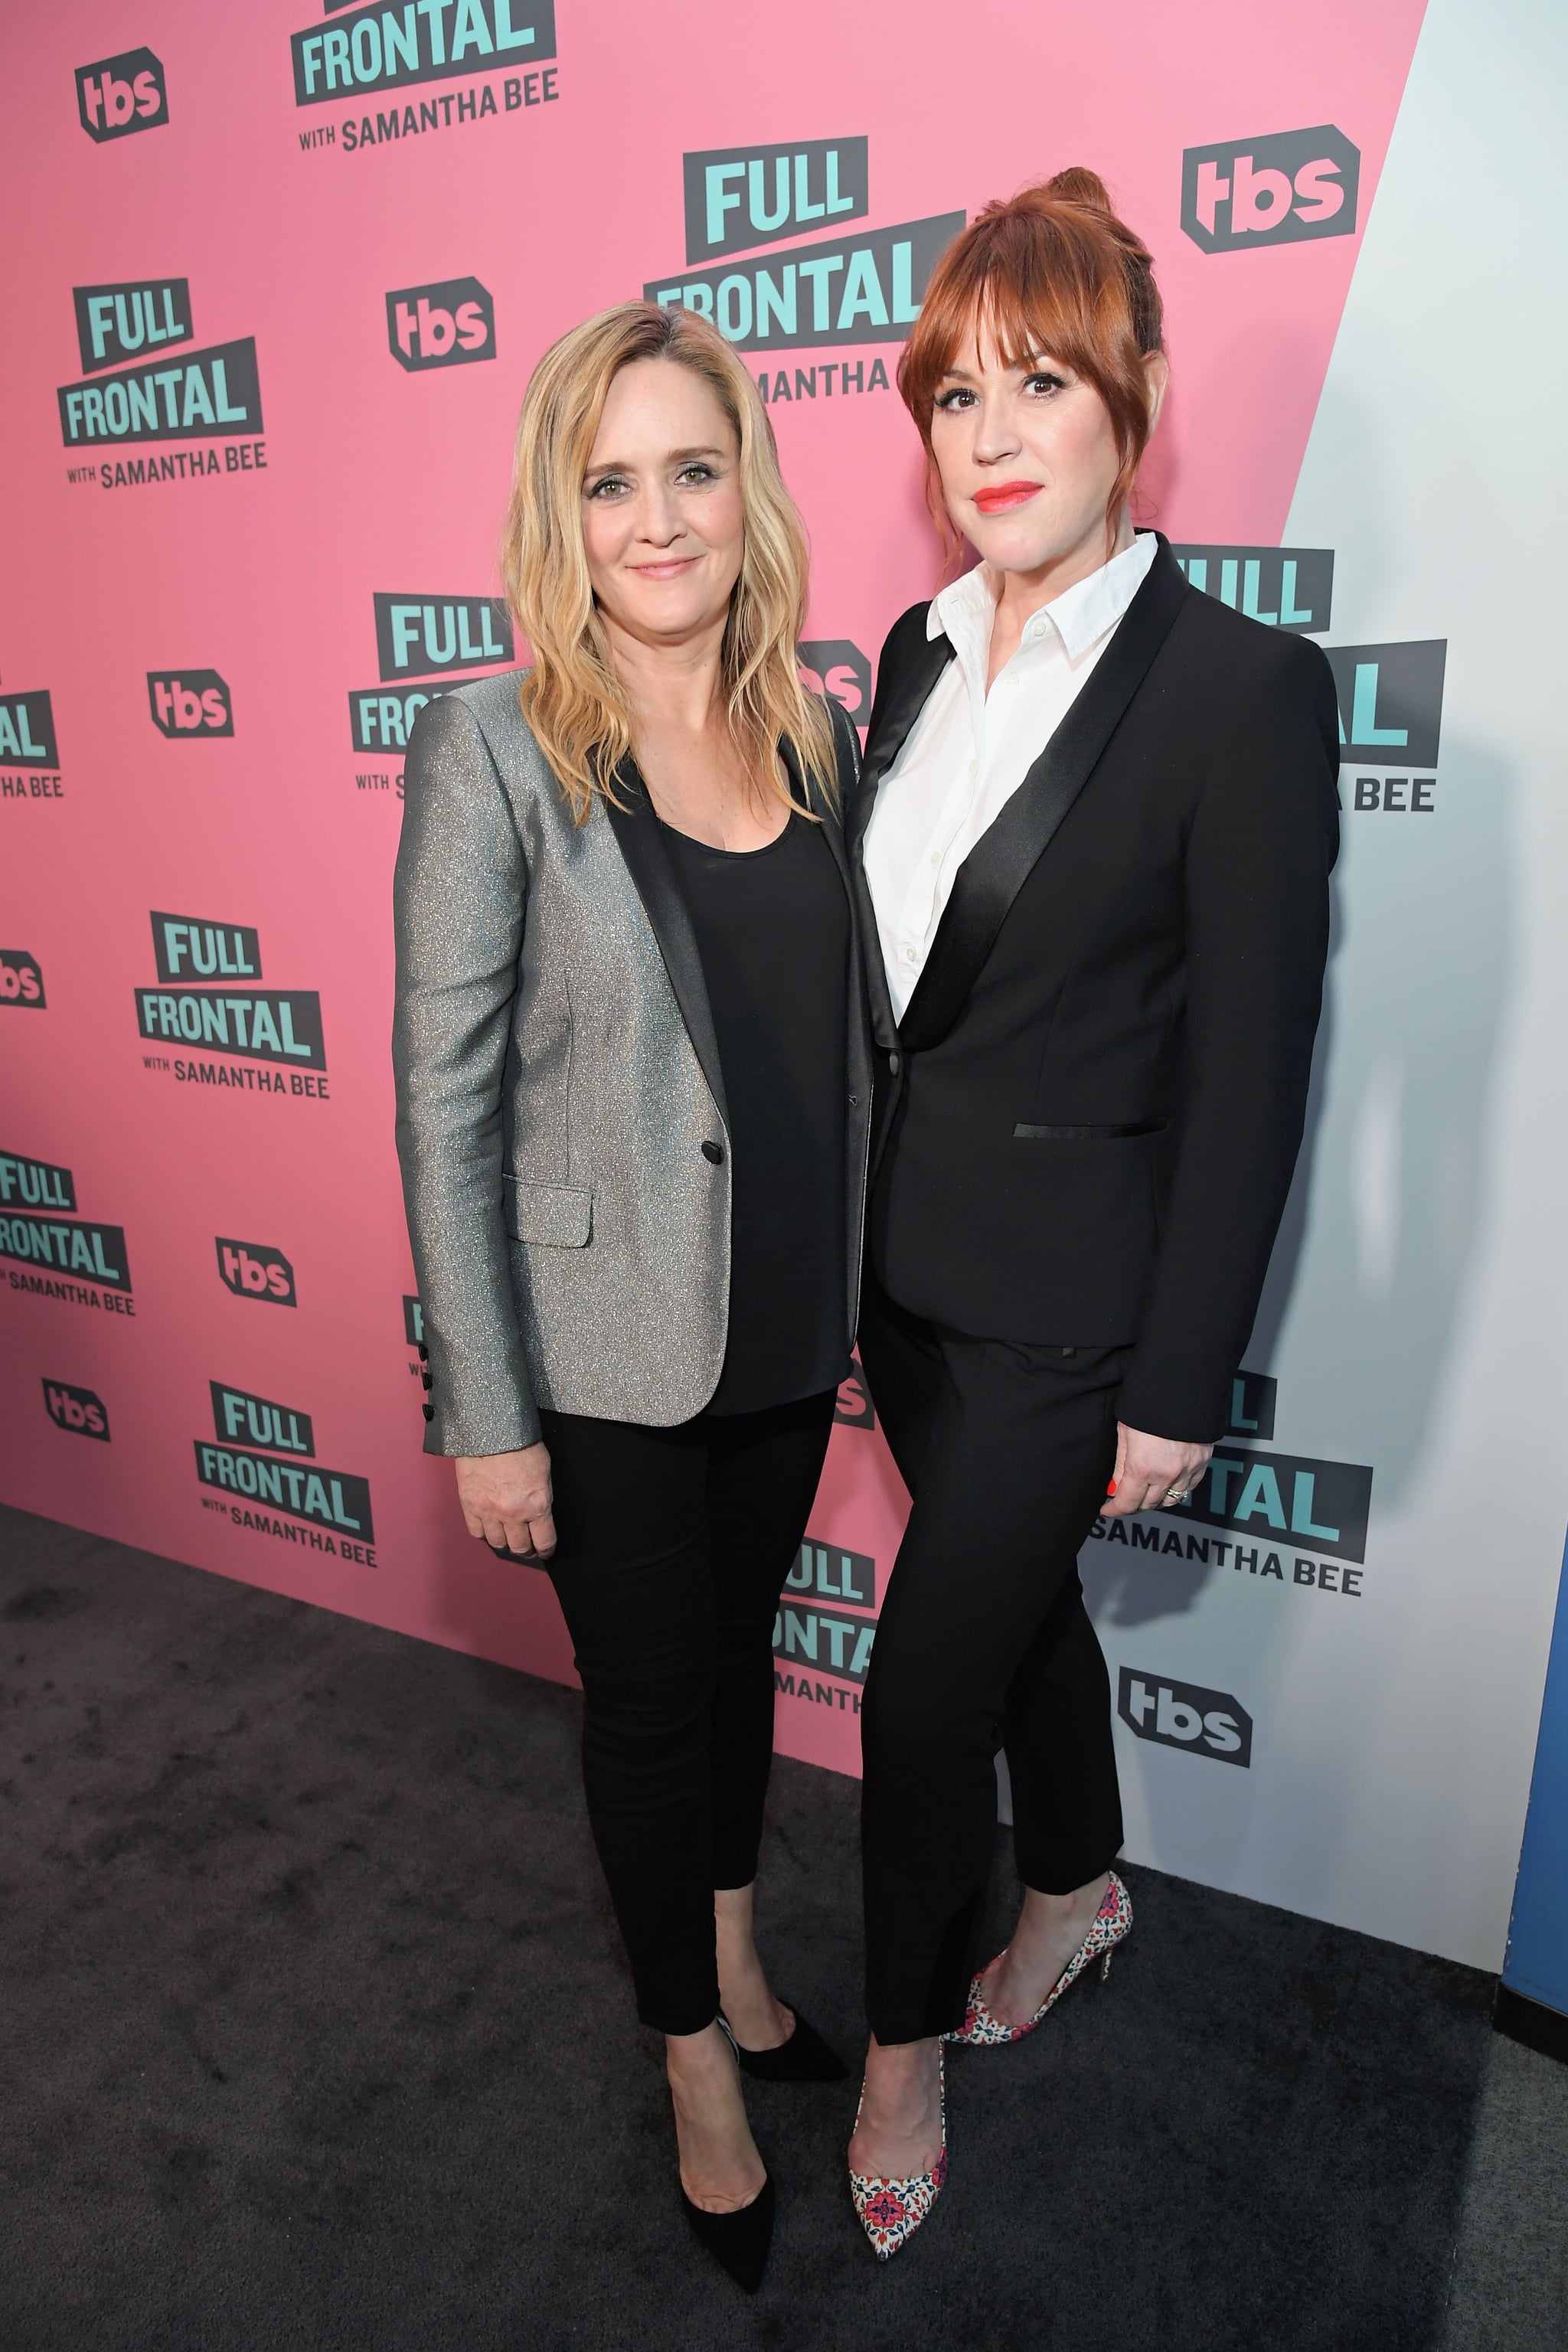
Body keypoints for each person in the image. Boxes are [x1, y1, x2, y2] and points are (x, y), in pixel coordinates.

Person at [842, 171, 1339, 2256]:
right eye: (956, 396)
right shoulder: (910, 650)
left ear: (1124, 402)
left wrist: (1178, 1375)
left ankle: (893, 2052)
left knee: (916, 1690)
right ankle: (1081, 1882)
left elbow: (1252, 1069)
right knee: (1019, 1611)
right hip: (897, 1284)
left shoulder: (1240, 689)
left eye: (1038, 382)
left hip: (1074, 1316)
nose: (993, 437)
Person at [392, 301, 871, 2293]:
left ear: (741, 487)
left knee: (739, 1660)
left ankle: (745, 1961)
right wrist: (483, 1406)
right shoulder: (492, 745)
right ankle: (691, 2058)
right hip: (596, 1354)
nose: (658, 518)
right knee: (651, 1709)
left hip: (779, 1326)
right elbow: (444, 1096)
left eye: (691, 469)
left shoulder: (813, 721)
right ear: (558, 513)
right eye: (612, 481)